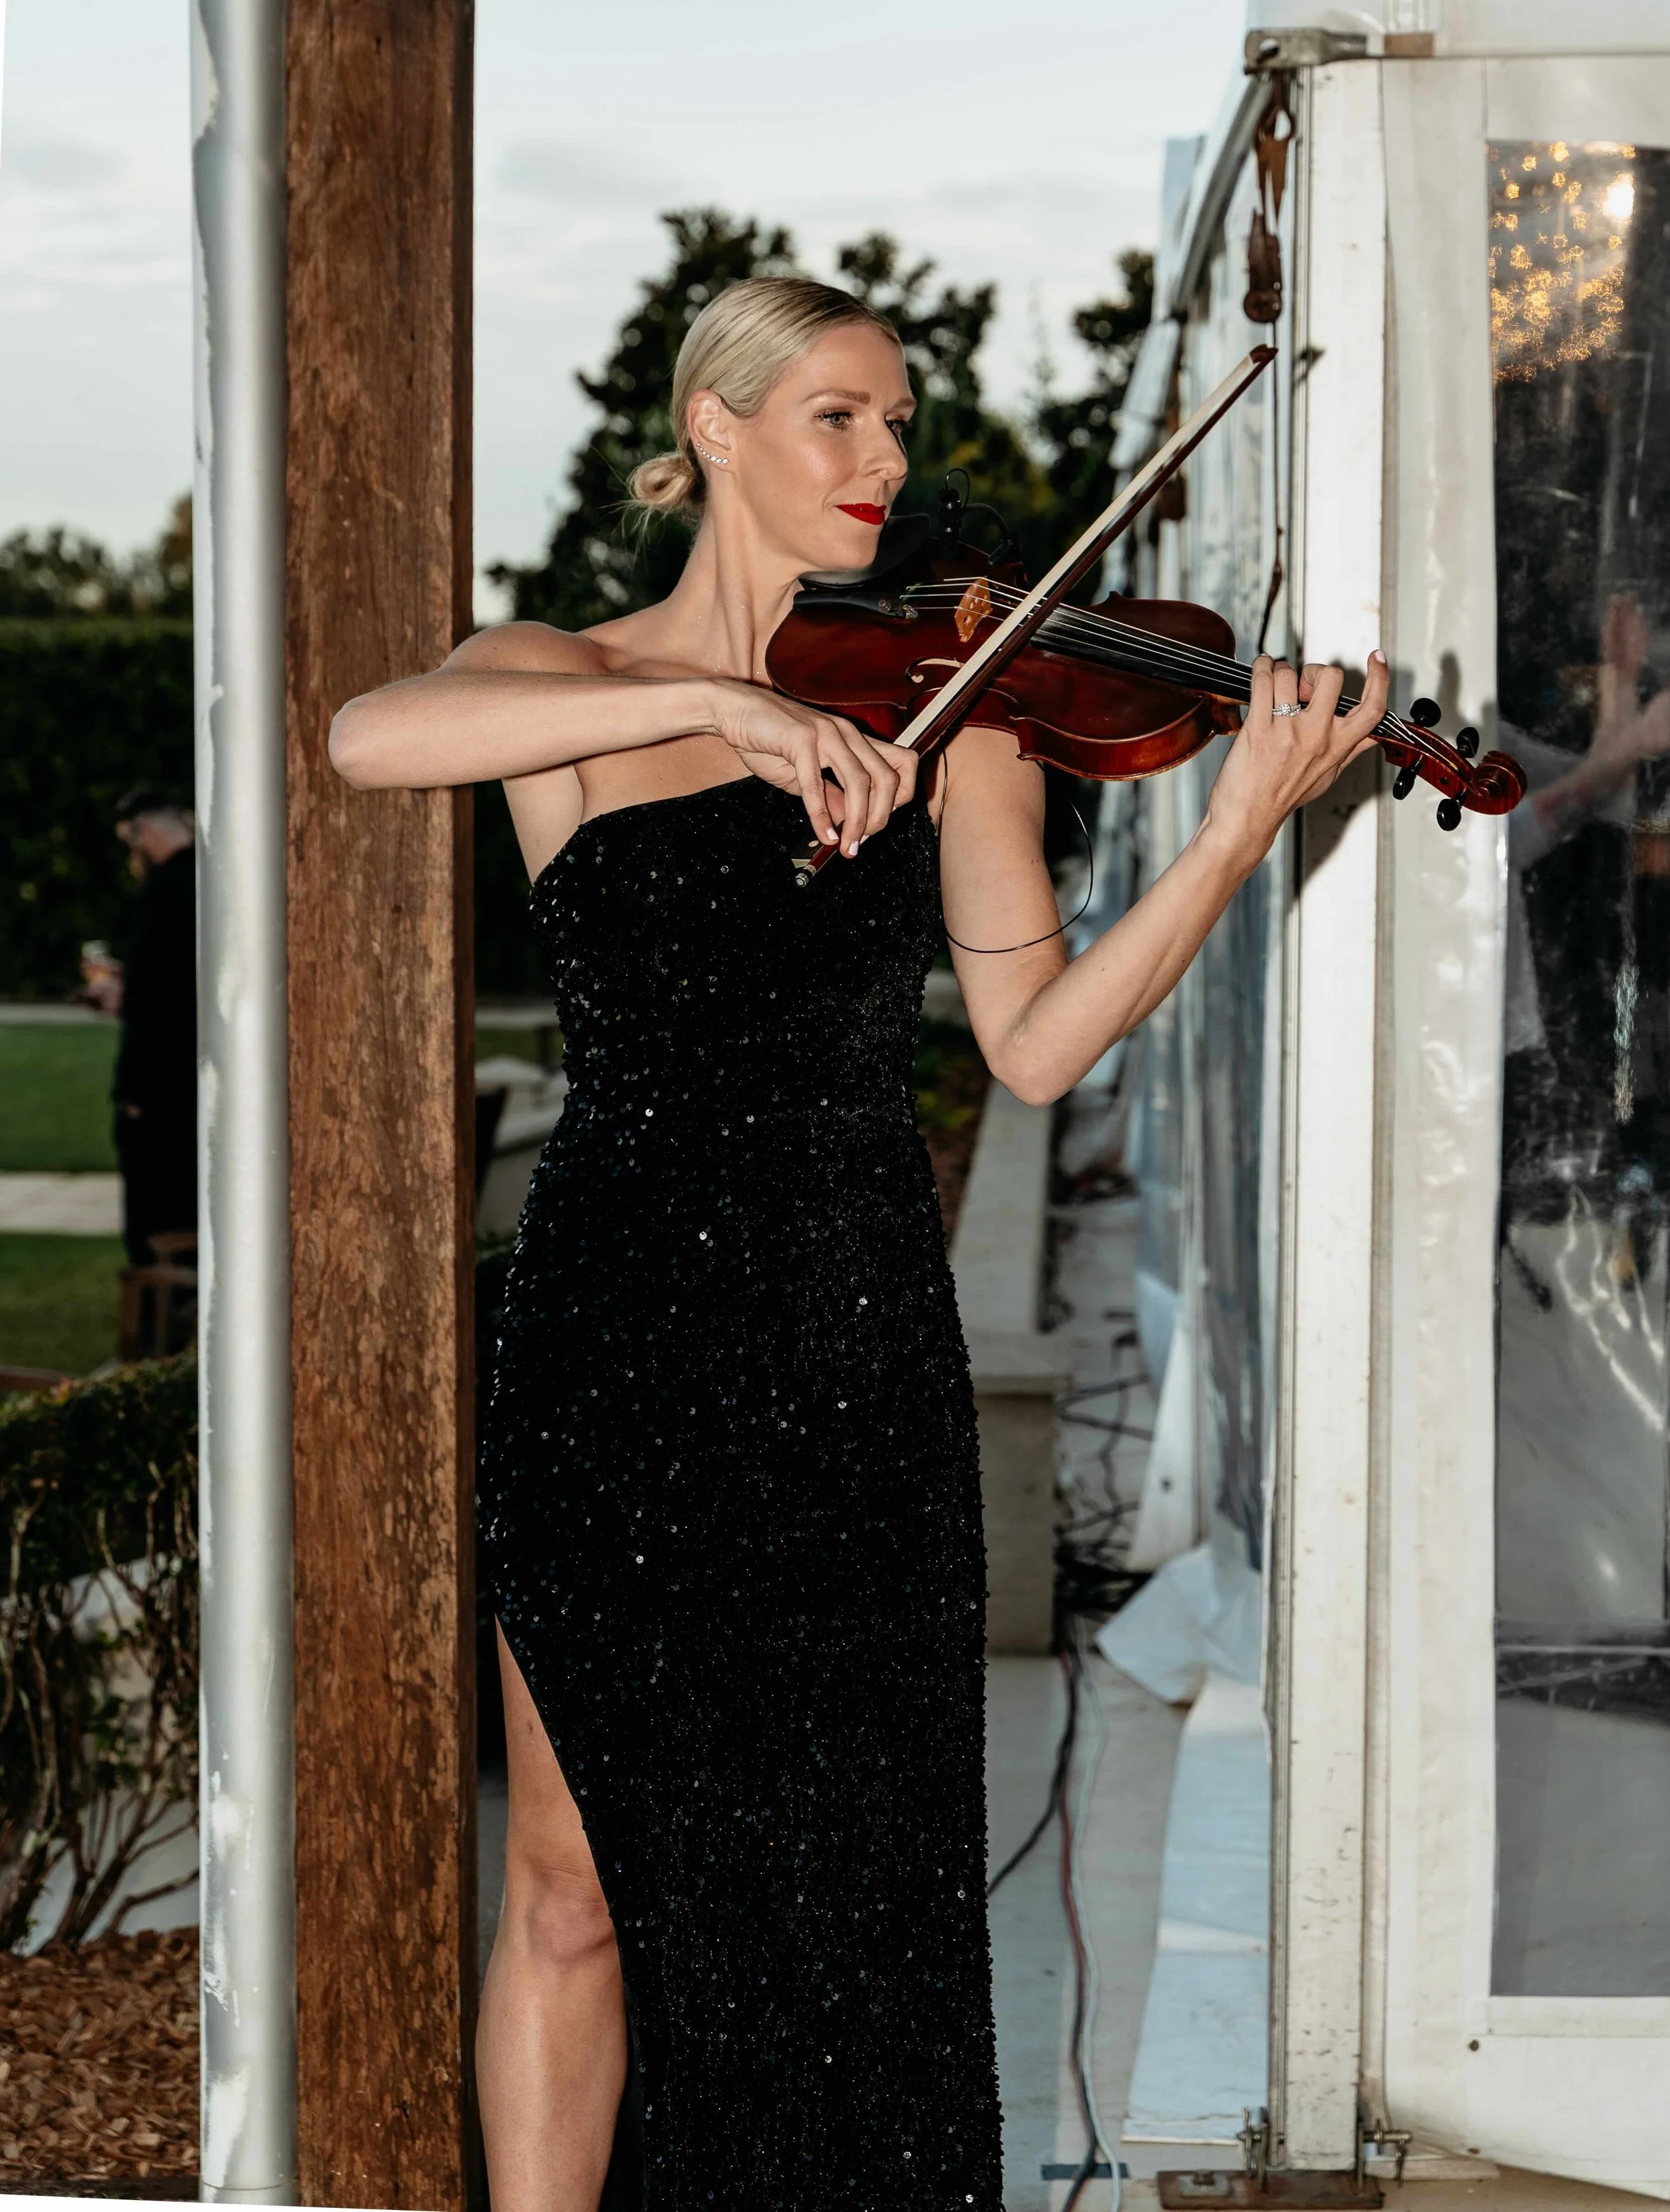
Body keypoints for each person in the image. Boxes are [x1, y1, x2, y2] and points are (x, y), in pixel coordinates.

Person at [328, 277, 1387, 2212]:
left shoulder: (957, 716)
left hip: (849, 1333)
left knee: (854, 1892)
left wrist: (1233, 827)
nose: (885, 461)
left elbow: (1037, 1044)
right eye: (837, 416)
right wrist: (715, 696)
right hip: (617, 1333)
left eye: (896, 424)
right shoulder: (558, 682)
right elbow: (363, 735)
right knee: (571, 1885)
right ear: (715, 426)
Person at [91, 786, 197, 1267]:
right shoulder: (211, 881)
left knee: (155, 1217)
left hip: (159, 1092)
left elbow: (158, 1003)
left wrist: (135, 1094)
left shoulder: (162, 892)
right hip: (193, 1079)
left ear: (146, 831)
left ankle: (159, 1329)